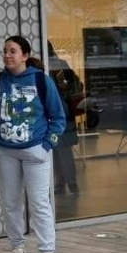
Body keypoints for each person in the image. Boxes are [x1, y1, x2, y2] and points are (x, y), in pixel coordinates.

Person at [0, 35, 67, 253]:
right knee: (11, 202)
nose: (7, 55)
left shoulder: (41, 80)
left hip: (35, 151)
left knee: (39, 203)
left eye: (13, 51)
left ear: (25, 55)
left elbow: (58, 118)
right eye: (5, 50)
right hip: (4, 151)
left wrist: (47, 145)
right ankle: (17, 249)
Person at [47, 51, 85, 195]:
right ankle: (64, 184)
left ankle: (69, 184)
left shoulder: (55, 66)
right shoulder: (60, 64)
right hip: (63, 116)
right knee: (60, 151)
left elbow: (74, 85)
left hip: (60, 116)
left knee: (61, 152)